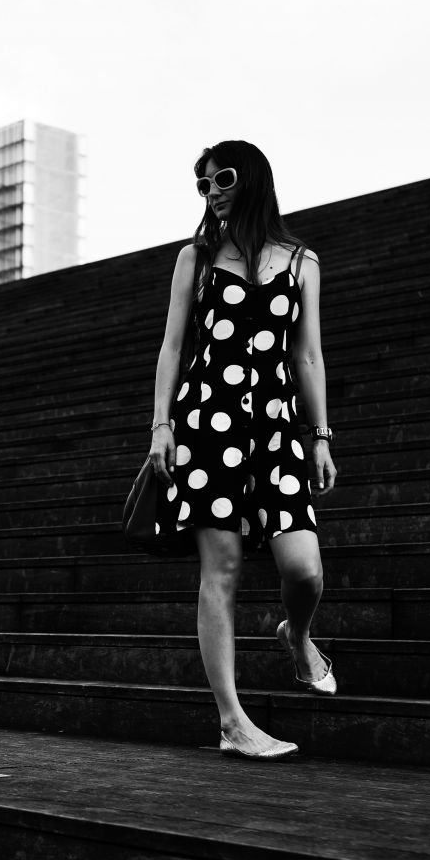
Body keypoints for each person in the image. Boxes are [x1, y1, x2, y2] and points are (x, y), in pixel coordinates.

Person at [147, 140, 339, 762]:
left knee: (304, 570)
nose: (212, 192)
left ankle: (297, 635)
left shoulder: (302, 261)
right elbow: (172, 346)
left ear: (252, 177)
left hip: (278, 432)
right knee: (221, 571)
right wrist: (161, 425)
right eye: (202, 184)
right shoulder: (197, 258)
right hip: (209, 424)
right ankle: (232, 721)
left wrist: (319, 435)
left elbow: (307, 355)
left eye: (222, 178)